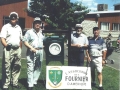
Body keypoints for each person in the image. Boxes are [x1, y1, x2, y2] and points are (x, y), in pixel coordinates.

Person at [0, 12, 22, 90]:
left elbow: (20, 39)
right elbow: (2, 38)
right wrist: (6, 45)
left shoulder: (19, 27)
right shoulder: (5, 27)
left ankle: (14, 83)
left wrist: (20, 48)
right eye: (12, 17)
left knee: (17, 66)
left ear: (17, 19)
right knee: (7, 67)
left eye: (15, 17)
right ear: (9, 18)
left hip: (17, 49)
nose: (13, 19)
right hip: (8, 49)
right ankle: (5, 84)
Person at [22, 17, 45, 90]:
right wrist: (31, 48)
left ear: (41, 24)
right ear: (34, 23)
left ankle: (34, 81)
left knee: (38, 67)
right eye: (36, 22)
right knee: (30, 68)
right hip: (31, 51)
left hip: (40, 51)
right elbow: (25, 41)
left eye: (39, 23)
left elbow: (44, 41)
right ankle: (30, 84)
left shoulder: (43, 32)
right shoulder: (29, 32)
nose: (37, 24)